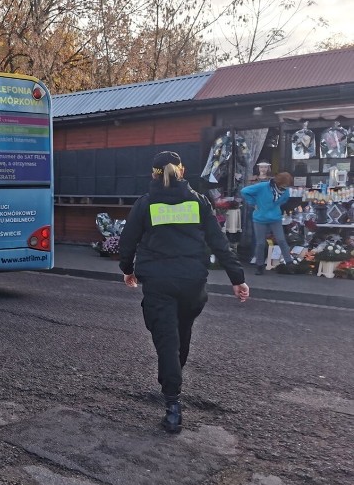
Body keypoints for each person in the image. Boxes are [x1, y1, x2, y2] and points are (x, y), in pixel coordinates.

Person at [119, 151, 249, 434]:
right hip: (192, 282)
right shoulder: (199, 202)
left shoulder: (145, 203)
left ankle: (173, 403)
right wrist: (237, 278)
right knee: (181, 335)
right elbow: (218, 242)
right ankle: (172, 378)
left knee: (167, 340)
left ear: (153, 174)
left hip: (158, 281)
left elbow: (127, 241)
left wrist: (127, 269)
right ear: (182, 170)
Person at [240, 171, 294, 275]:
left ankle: (289, 263)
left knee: (281, 240)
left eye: (287, 185)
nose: (286, 187)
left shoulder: (286, 191)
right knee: (260, 243)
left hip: (275, 218)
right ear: (279, 182)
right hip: (260, 218)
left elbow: (284, 200)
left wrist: (274, 208)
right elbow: (244, 191)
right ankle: (259, 266)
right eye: (284, 184)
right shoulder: (263, 186)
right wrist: (254, 203)